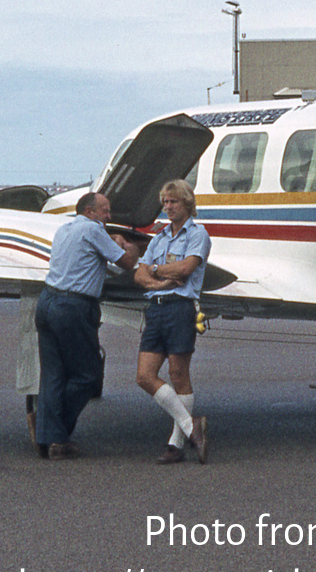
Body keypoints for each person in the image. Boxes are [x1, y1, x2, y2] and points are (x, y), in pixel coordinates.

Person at [33, 191, 131, 460]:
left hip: (47, 302)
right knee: (88, 375)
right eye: (105, 211)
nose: (109, 217)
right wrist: (127, 244)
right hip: (73, 307)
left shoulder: (64, 229)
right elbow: (126, 262)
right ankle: (56, 436)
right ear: (89, 212)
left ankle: (46, 436)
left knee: (53, 375)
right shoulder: (93, 229)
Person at [135, 180, 211, 464]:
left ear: (187, 203)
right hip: (156, 308)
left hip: (181, 308)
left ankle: (176, 444)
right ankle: (193, 427)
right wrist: (158, 281)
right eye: (165, 202)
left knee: (179, 374)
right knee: (144, 376)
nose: (168, 207)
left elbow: (186, 267)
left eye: (173, 202)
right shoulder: (159, 237)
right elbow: (139, 276)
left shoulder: (198, 234)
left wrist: (155, 269)